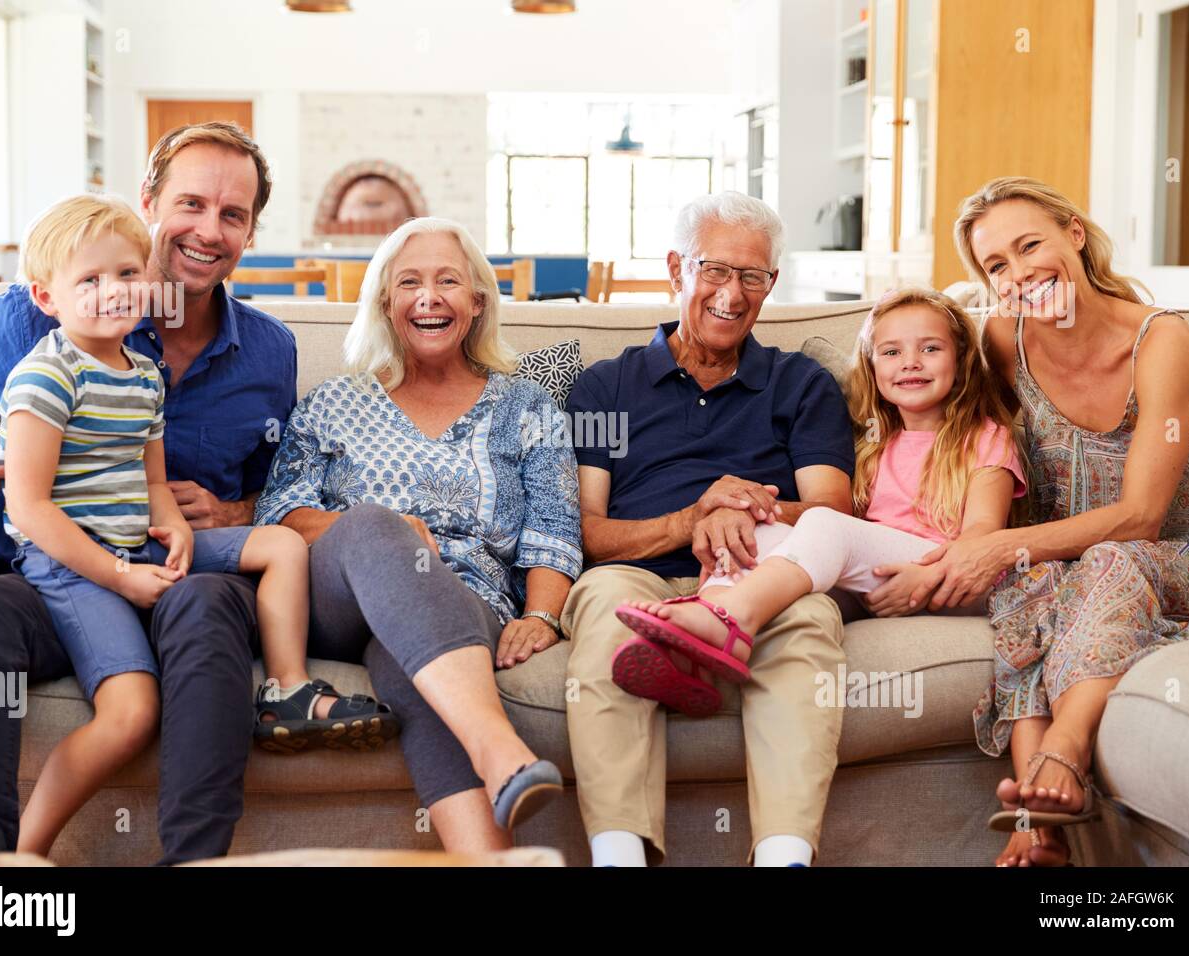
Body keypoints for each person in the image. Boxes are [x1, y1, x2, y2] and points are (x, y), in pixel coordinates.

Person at [0, 122, 302, 863]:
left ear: (251, 230)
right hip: (49, 573)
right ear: (150, 200)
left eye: (233, 214)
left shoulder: (271, 351)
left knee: (206, 602)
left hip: (177, 575)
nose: (207, 230)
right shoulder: (34, 322)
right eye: (190, 203)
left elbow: (282, 492)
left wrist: (232, 514)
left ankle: (192, 857)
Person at [0, 194, 386, 856]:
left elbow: (152, 481)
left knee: (282, 544)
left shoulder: (142, 375)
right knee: (130, 715)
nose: (113, 292)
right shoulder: (45, 377)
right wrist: (120, 576)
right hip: (71, 563)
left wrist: (174, 526)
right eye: (89, 280)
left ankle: (286, 689)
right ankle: (24, 850)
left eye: (125, 274)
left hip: (137, 541)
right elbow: (27, 510)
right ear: (46, 296)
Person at [254, 216, 583, 850]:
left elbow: (554, 526)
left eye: (448, 282)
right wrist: (385, 535)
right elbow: (281, 515)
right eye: (410, 282)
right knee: (377, 527)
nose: (429, 297)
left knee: (408, 664)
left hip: (466, 604)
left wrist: (542, 615)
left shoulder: (528, 407)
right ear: (385, 301)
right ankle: (500, 750)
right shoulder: (331, 403)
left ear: (478, 303)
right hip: (339, 598)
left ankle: (488, 859)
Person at [927, 176, 1189, 867]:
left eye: (1030, 245)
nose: (1019, 272)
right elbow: (980, 450)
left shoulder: (1163, 342)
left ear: (1075, 235)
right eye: (995, 264)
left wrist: (1003, 543)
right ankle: (1036, 829)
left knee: (1104, 560)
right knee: (1026, 586)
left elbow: (1142, 519)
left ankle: (1064, 754)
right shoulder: (1005, 338)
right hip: (1076, 566)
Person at [562, 191, 856, 868]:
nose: (732, 293)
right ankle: (619, 858)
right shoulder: (604, 388)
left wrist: (738, 513)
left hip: (764, 573)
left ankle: (784, 859)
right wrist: (694, 515)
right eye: (715, 271)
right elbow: (590, 534)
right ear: (676, 269)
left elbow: (830, 512)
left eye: (752, 276)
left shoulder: (801, 384)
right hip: (638, 571)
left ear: (771, 285)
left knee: (809, 619)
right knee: (609, 607)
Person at [615, 288, 1026, 682]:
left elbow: (982, 536)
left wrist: (927, 579)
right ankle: (701, 635)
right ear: (872, 367)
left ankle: (732, 619)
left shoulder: (986, 437)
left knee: (827, 522)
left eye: (930, 348)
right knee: (760, 531)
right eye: (892, 352)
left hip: (954, 582)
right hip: (877, 580)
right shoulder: (873, 443)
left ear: (962, 361)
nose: (911, 362)